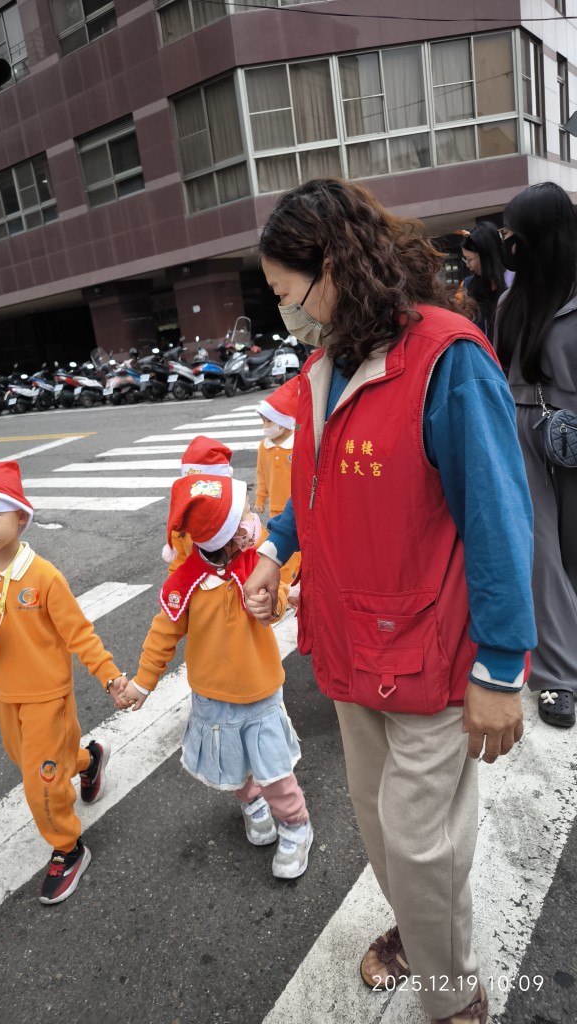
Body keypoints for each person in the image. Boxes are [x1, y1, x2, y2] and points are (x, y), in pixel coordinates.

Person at [243, 178, 536, 1024]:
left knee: (419, 844)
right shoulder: (325, 366)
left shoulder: (447, 359)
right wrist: (274, 549)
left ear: (333, 266)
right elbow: (314, 487)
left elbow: (498, 519)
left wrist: (501, 668)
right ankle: (419, 930)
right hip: (348, 647)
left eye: (287, 293)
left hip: (429, 652)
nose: (285, 314)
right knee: (383, 833)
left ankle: (455, 999)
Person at [121, 473, 313, 880]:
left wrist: (273, 604)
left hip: (261, 693)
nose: (253, 520)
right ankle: (251, 803)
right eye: (243, 517)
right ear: (224, 535)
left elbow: (279, 594)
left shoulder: (258, 562)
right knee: (235, 767)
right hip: (213, 700)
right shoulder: (185, 582)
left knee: (275, 771)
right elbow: (162, 634)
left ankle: (296, 824)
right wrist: (142, 682)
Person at [0, 461, 129, 905]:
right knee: (32, 761)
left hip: (48, 697)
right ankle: (88, 760)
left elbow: (79, 634)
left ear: (20, 517)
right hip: (6, 697)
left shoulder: (44, 576)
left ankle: (68, 848)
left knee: (42, 780)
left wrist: (109, 676)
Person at [495, 181, 577, 729]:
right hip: (521, 430)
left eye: (514, 233)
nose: (508, 243)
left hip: (573, 430)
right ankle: (557, 676)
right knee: (539, 552)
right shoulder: (510, 301)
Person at [254, 375, 301, 592]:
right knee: (279, 553)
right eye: (263, 421)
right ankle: (284, 589)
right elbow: (261, 474)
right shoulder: (264, 446)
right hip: (275, 507)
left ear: (282, 423)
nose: (265, 426)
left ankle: (297, 585)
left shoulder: (297, 445)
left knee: (299, 552)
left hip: (295, 508)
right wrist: (260, 498)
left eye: (268, 421)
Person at [162, 435, 234, 572]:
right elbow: (178, 566)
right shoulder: (182, 522)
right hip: (198, 584)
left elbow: (262, 560)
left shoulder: (238, 518)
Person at [459, 222, 512, 339]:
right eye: (465, 260)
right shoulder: (468, 285)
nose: (468, 265)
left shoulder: (513, 282)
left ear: (485, 256)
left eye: (469, 259)